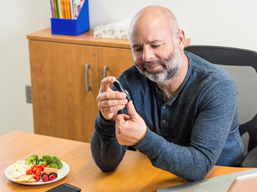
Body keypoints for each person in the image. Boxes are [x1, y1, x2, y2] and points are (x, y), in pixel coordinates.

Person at [90, 5, 244, 181]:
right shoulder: (129, 82)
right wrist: (106, 120)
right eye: (137, 49)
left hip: (221, 178)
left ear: (180, 39)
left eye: (155, 45)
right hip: (159, 176)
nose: (147, 57)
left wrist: (143, 138)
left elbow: (199, 167)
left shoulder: (218, 87)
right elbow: (106, 164)